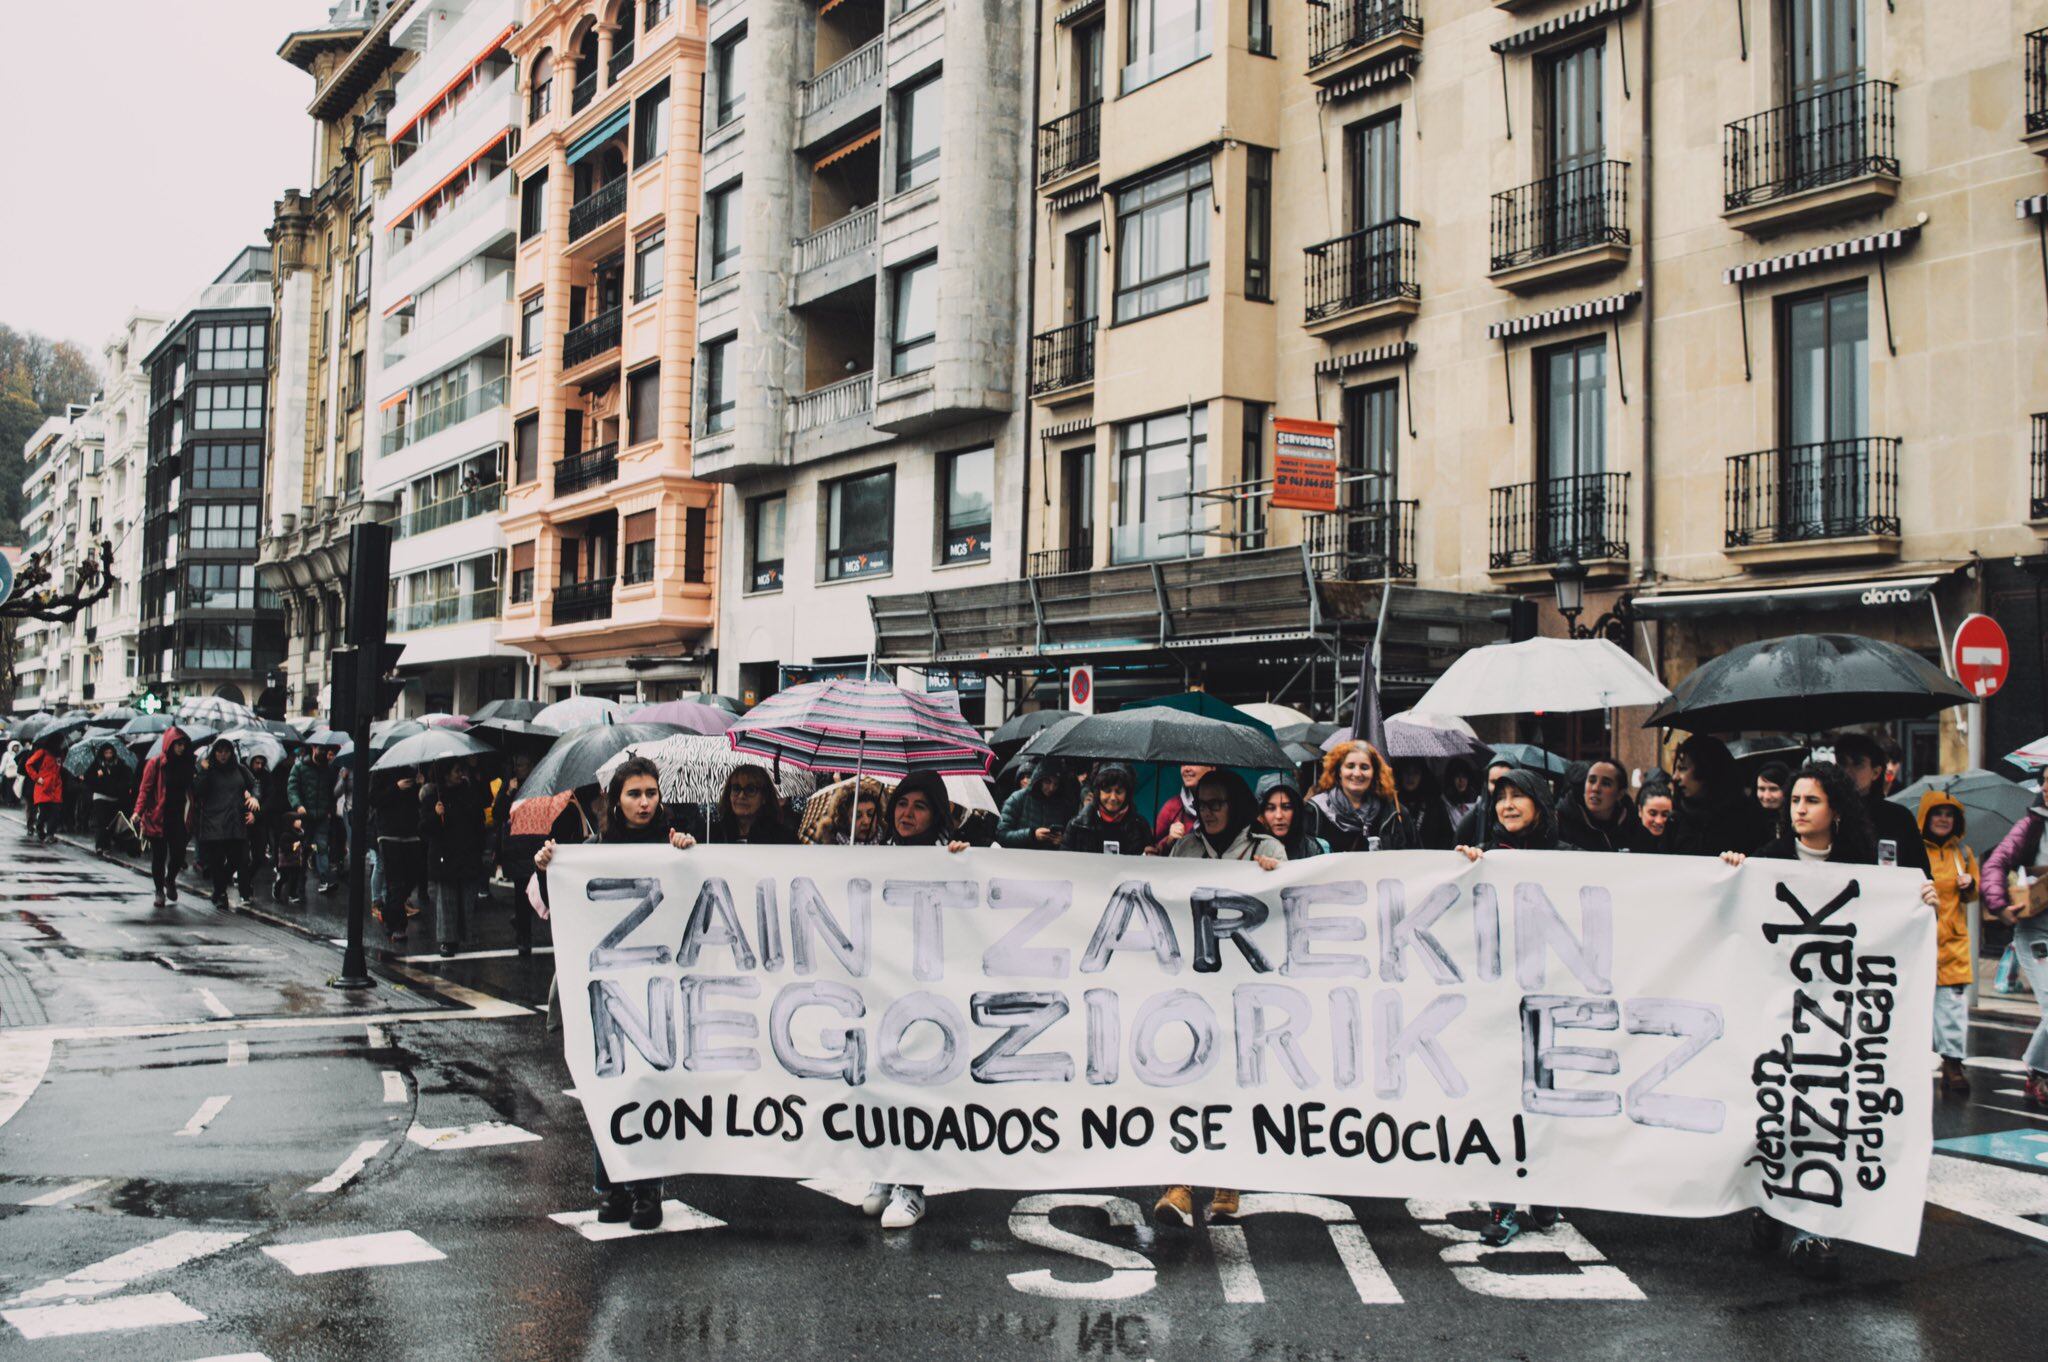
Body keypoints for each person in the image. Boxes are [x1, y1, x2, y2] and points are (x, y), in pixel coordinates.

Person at [1720, 762, 1937, 1280]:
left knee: (1829, 1116)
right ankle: (1770, 1205)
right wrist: (1729, 873)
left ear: (1835, 809)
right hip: (1777, 1011)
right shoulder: (1767, 861)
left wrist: (1920, 900)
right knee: (1780, 1110)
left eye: (1811, 801)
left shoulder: (1864, 865)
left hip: (1839, 1017)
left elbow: (1889, 924)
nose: (1799, 809)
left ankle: (1814, 1228)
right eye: (1795, 800)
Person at [533, 758, 694, 1232]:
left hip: (657, 987)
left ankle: (648, 1188)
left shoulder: (673, 844)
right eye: (635, 794)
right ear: (615, 799)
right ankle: (612, 1188)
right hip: (606, 989)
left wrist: (688, 853)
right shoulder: (592, 849)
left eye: (651, 793)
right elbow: (557, 906)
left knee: (651, 1086)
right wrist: (548, 866)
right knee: (610, 1087)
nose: (645, 802)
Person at [1157, 769, 1285, 1229]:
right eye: (1201, 803)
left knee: (1234, 1079)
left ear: (1235, 806)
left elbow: (1285, 903)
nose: (1207, 811)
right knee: (1188, 1076)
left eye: (1216, 803)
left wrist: (1275, 876)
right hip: (1195, 980)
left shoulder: (1266, 848)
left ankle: (1228, 1179)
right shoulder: (1185, 848)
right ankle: (1182, 1184)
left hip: (1244, 984)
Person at [1454, 768, 1567, 1246]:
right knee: (1502, 1097)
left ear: (1540, 804)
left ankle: (1544, 1189)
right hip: (1499, 1002)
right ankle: (1504, 1206)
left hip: (1555, 1000)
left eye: (1520, 796)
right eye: (1501, 798)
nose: (1508, 806)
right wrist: (1465, 867)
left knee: (1546, 1095)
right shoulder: (1484, 858)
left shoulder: (1571, 861)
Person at [857, 771, 971, 1231]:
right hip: (883, 988)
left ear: (936, 814)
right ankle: (885, 1170)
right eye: (903, 803)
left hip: (929, 993)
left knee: (919, 1084)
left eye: (920, 806)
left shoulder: (950, 857)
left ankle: (913, 1186)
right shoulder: (874, 856)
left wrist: (963, 864)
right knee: (883, 1080)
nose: (907, 814)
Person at [1981, 797, 2048, 1111]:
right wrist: (1999, 906)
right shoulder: (2031, 826)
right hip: (2038, 931)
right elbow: (1995, 864)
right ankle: (2037, 1069)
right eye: (2046, 783)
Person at [1918, 789, 1980, 1098]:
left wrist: (1970, 884)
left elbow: (1973, 895)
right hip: (1917, 941)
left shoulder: (1963, 854)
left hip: (1952, 945)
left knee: (1953, 1010)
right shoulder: (1914, 850)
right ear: (1926, 818)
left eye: (1949, 814)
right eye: (1937, 813)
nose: (1943, 819)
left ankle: (1953, 1064)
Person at [1831, 733, 1933, 877]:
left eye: (1857, 764)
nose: (1848, 771)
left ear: (1876, 772)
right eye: (1842, 763)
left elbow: (1921, 874)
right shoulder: (1825, 812)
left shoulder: (1898, 818)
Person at [419, 758, 488, 956]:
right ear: (446, 773)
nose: (460, 774)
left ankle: (466, 935)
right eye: (456, 771)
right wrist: (436, 814)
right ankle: (448, 940)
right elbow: (424, 828)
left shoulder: (469, 791)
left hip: (467, 852)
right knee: (447, 899)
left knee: (466, 898)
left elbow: (479, 819)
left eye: (461, 771)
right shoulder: (434, 796)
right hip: (445, 855)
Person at [1669, 735, 1772, 857]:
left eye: (1682, 768)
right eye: (1676, 769)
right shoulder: (1673, 815)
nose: (1675, 777)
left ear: (1706, 769)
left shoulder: (1747, 818)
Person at [189, 738, 262, 909]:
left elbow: (254, 785)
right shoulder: (209, 770)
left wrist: (254, 798)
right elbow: (197, 791)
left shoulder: (240, 769)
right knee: (217, 861)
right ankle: (220, 893)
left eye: (226, 751)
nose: (223, 755)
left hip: (236, 822)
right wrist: (204, 771)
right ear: (214, 753)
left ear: (231, 753)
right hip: (214, 823)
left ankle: (220, 888)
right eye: (219, 751)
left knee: (240, 859)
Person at [135, 727, 196, 906]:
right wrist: (138, 812)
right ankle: (159, 891)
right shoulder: (155, 764)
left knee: (178, 853)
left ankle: (170, 879)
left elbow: (192, 790)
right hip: (158, 816)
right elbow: (145, 790)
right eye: (177, 744)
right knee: (159, 856)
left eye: (183, 744)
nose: (181, 748)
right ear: (169, 744)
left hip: (179, 816)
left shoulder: (187, 764)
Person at [1312, 741, 1407, 852]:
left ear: (1374, 773)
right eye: (1350, 766)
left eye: (1364, 767)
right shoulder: (1315, 811)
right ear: (1339, 771)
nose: (1357, 773)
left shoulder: (1390, 812)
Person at [371, 768, 426, 942]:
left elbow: (418, 803)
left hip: (411, 831)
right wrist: (396, 787)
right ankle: (398, 927)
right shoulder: (380, 770)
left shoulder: (412, 771)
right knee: (395, 882)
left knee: (412, 878)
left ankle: (387, 913)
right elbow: (374, 799)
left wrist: (420, 786)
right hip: (388, 832)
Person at [1557, 757, 1645, 854]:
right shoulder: (1560, 822)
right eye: (1591, 780)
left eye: (1606, 783)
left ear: (1620, 794)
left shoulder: (1634, 826)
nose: (1595, 788)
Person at [1062, 763, 1152, 855]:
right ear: (1098, 793)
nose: (1113, 797)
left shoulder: (1140, 826)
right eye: (1107, 791)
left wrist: (1150, 856)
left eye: (1119, 791)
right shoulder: (1077, 825)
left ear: (1127, 794)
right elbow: (1065, 862)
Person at [699, 765, 797, 845]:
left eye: (750, 789)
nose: (741, 795)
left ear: (764, 797)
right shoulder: (710, 834)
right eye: (736, 788)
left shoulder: (783, 838)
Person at [996, 759, 1081, 851]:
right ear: (1039, 780)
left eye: (1056, 784)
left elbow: (1069, 839)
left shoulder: (1062, 805)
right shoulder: (1018, 798)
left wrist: (1061, 841)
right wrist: (1032, 835)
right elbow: (1002, 834)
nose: (1051, 788)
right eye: (1047, 782)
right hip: (1020, 858)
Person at [289, 741, 339, 892]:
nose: (324, 753)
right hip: (305, 815)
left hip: (322, 815)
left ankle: (325, 879)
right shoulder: (299, 767)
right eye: (321, 749)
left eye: (326, 750)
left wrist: (330, 809)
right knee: (303, 849)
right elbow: (292, 788)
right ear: (313, 748)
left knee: (322, 847)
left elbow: (332, 792)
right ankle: (298, 882)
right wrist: (298, 805)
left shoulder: (328, 769)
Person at [1256, 772, 1328, 859]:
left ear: (1296, 809)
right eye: (1271, 808)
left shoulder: (1320, 848)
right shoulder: (1249, 850)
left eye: (1286, 807)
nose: (1279, 816)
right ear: (1261, 813)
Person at [1150, 764, 1215, 855]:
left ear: (1212, 767)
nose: (1187, 769)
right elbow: (1152, 848)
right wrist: (1169, 841)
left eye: (1194, 763)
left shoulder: (1224, 808)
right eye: (1183, 763)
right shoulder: (1173, 807)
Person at [1453, 758, 1519, 847]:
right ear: (1486, 783)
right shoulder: (1476, 814)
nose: (1498, 787)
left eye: (1505, 781)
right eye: (1493, 782)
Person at [1391, 759, 1454, 850]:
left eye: (1415, 772)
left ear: (1423, 775)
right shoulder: (1394, 803)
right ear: (1400, 774)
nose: (1410, 777)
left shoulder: (1435, 803)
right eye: (1406, 772)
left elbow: (1446, 836)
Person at [84, 743, 134, 853]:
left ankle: (106, 845)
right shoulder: (96, 765)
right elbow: (88, 778)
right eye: (106, 753)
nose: (108, 755)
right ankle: (100, 846)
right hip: (100, 797)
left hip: (113, 798)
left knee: (110, 823)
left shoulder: (120, 765)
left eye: (110, 753)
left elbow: (125, 779)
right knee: (101, 822)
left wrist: (118, 788)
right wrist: (98, 778)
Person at [22, 744, 64, 842]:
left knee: (55, 813)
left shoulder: (60, 754)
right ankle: (39, 827)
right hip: (43, 787)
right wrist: (36, 777)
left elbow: (61, 768)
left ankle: (50, 834)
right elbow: (28, 764)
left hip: (56, 788)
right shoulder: (42, 752)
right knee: (44, 813)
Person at [1636, 775, 1677, 854]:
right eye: (1652, 813)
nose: (1659, 821)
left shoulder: (1678, 841)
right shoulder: (1627, 840)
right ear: (1640, 811)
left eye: (1665, 814)